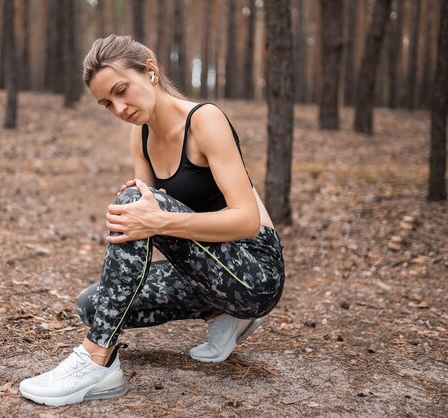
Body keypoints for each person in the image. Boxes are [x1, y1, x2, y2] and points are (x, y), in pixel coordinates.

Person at [19, 35, 285, 407]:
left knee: (133, 202)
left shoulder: (205, 120)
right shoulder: (140, 135)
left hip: (255, 273)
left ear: (151, 71)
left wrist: (156, 220)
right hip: (208, 269)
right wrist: (148, 223)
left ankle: (98, 359)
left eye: (122, 90)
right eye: (107, 103)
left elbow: (246, 221)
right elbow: (148, 230)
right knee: (94, 306)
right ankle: (218, 309)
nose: (120, 107)